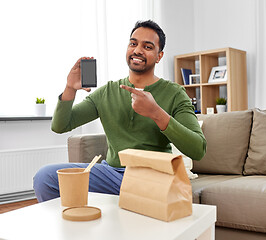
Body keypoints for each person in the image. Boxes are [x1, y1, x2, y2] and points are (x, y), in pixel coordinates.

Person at [33, 20, 206, 202]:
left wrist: (156, 113)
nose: (138, 50)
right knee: (46, 177)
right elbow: (60, 126)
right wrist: (70, 88)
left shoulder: (175, 94)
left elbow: (198, 149)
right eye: (133, 43)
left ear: (159, 56)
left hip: (154, 176)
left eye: (147, 46)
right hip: (111, 174)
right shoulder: (107, 92)